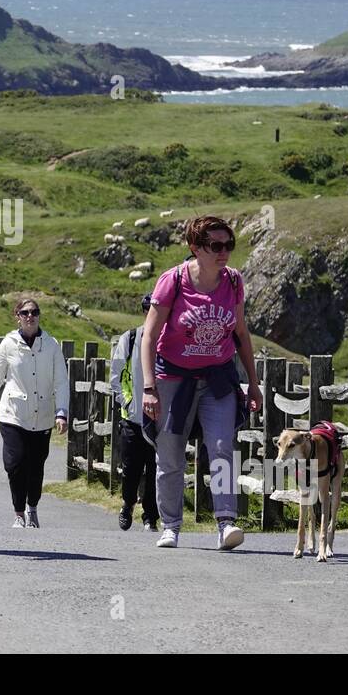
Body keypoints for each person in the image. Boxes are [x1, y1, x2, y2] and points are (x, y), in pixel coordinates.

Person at [140, 215, 261, 551]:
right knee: (171, 452)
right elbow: (149, 336)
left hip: (218, 377)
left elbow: (240, 333)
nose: (224, 252)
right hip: (173, 377)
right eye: (215, 246)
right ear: (195, 248)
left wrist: (253, 382)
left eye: (228, 245)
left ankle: (225, 522)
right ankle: (171, 525)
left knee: (222, 446)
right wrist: (149, 387)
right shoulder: (173, 280)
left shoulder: (233, 282)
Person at [0, 298, 68, 528]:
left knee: (36, 466)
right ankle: (18, 514)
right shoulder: (8, 344)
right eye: (25, 312)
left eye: (34, 312)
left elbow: (61, 381)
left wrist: (61, 412)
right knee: (15, 463)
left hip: (43, 415)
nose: (30, 316)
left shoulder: (51, 345)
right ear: (17, 316)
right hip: (13, 414)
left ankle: (32, 508)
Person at [110, 293, 160, 531]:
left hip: (160, 419)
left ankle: (151, 516)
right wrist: (127, 403)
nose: (150, 311)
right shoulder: (130, 338)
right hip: (132, 418)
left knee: (156, 469)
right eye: (146, 308)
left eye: (155, 307)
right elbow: (116, 375)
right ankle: (128, 504)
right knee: (131, 468)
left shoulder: (169, 339)